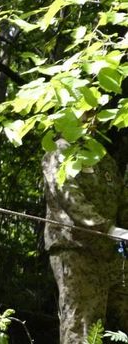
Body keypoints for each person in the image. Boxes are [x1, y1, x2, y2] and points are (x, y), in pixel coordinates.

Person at [43, 138, 128, 342]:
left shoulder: (101, 155)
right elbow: (70, 198)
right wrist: (107, 228)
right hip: (75, 251)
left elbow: (122, 200)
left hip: (110, 252)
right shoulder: (58, 152)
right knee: (82, 324)